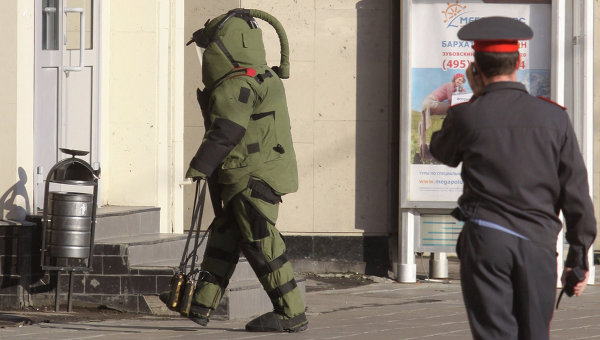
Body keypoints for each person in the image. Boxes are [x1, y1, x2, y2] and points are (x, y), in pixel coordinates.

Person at [430, 16, 596, 339]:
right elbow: (576, 193)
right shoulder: (554, 118)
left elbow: (442, 152)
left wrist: (477, 98)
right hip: (538, 245)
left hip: (487, 242)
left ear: (475, 68)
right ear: (519, 62)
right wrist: (578, 258)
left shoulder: (466, 116)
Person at [161, 9, 308, 333]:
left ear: (224, 47)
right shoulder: (261, 75)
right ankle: (200, 304)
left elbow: (227, 130)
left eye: (207, 49)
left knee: (262, 243)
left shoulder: (237, 83)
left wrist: (200, 167)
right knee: (225, 237)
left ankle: (291, 313)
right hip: (258, 173)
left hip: (250, 176)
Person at [418, 73, 466, 163]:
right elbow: (451, 100)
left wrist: (461, 93)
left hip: (429, 103)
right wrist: (462, 95)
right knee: (454, 109)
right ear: (454, 79)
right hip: (430, 102)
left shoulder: (455, 89)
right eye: (458, 79)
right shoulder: (449, 85)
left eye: (462, 81)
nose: (460, 82)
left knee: (454, 111)